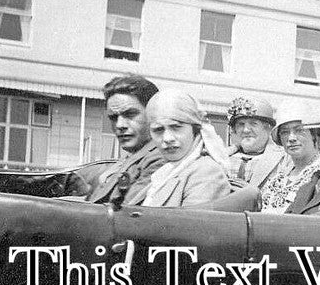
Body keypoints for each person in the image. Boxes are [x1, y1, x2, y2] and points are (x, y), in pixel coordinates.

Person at [139, 89, 232, 207]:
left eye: (176, 127)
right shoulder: (164, 170)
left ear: (195, 129)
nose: (167, 138)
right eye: (158, 130)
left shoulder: (207, 173)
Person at [85, 73, 164, 204]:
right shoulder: (130, 159)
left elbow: (126, 213)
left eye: (130, 114)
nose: (120, 125)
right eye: (113, 117)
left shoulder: (159, 159)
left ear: (154, 114)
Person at [259, 99, 320, 214]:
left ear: (314, 134)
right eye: (285, 132)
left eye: (299, 130)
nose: (291, 138)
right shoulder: (277, 178)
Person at [224, 96, 281, 183]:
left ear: (268, 128)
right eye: (241, 124)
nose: (246, 130)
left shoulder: (281, 161)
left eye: (253, 124)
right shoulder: (222, 159)